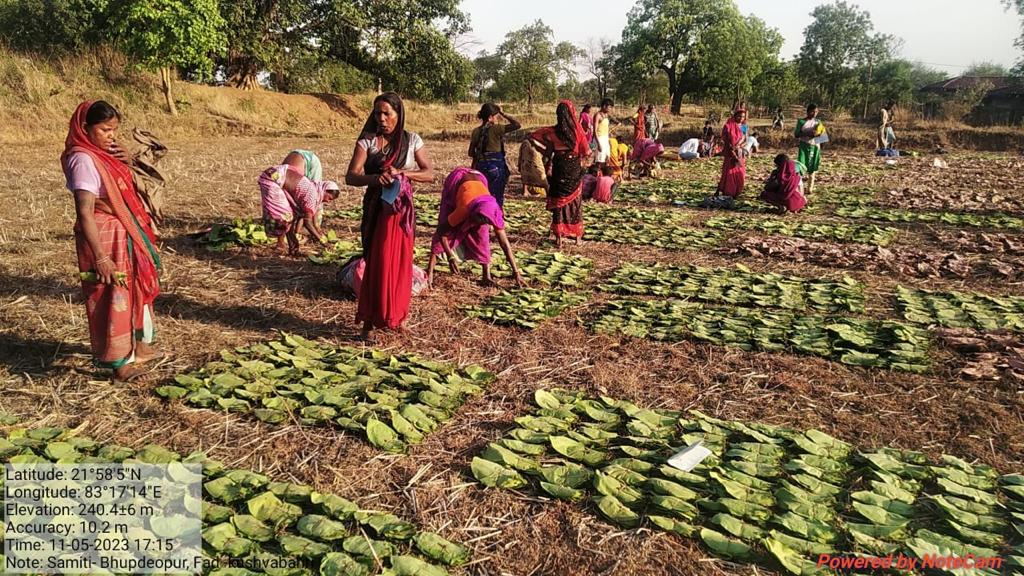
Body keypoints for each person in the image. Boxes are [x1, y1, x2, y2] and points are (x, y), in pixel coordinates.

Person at [62, 100, 162, 381]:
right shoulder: (83, 160)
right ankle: (119, 364)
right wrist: (100, 258)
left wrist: (125, 161)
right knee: (113, 296)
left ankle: (138, 346)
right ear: (84, 128)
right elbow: (84, 211)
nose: (111, 136)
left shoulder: (104, 155)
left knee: (136, 288)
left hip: (124, 231)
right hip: (105, 238)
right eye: (105, 130)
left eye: (114, 130)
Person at [345, 91, 434, 341]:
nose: (381, 119)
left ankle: (397, 317)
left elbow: (429, 173)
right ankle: (369, 323)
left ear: (398, 114)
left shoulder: (412, 140)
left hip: (401, 211)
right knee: (376, 262)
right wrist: (375, 178)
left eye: (387, 113)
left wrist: (403, 174)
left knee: (400, 262)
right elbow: (351, 176)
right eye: (377, 113)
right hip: (377, 208)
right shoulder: (368, 141)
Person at [427, 168, 525, 288]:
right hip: (457, 181)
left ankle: (486, 275)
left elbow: (505, 244)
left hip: (480, 180)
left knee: (482, 233)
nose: (474, 224)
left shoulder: (494, 212)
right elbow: (441, 232)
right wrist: (450, 256)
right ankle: (429, 273)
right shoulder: (464, 209)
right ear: (473, 214)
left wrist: (516, 273)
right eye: (475, 220)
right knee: (445, 220)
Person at [529, 100, 590, 247]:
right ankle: (577, 238)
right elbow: (586, 152)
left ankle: (559, 238)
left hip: (559, 168)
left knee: (558, 201)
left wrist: (539, 145)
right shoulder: (577, 132)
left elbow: (534, 136)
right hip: (573, 168)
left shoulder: (552, 132)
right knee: (575, 201)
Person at [258, 165, 340, 255]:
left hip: (274, 174)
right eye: (329, 198)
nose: (327, 201)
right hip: (273, 179)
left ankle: (293, 248)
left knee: (291, 217)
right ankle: (280, 243)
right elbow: (307, 222)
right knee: (284, 217)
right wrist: (321, 241)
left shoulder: (313, 188)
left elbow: (301, 216)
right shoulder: (312, 196)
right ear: (325, 190)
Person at [469, 103, 520, 206]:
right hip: (495, 168)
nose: (498, 119)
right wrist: (503, 113)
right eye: (497, 116)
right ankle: (496, 217)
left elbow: (471, 153)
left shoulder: (476, 131)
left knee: (483, 194)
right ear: (490, 117)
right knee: (497, 196)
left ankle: (483, 215)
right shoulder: (497, 129)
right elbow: (517, 125)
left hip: (480, 167)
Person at [795, 103, 826, 195]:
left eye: (816, 112)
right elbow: (796, 134)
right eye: (813, 111)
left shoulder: (818, 122)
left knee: (812, 168)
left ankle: (810, 189)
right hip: (804, 146)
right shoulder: (801, 122)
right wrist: (808, 134)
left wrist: (818, 135)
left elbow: (823, 136)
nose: (814, 113)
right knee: (801, 166)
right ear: (808, 112)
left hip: (815, 146)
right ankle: (798, 188)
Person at [717, 107, 747, 198]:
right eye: (739, 116)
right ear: (735, 116)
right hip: (730, 153)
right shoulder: (728, 126)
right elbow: (725, 139)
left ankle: (737, 191)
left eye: (743, 117)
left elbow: (745, 139)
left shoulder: (744, 127)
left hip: (739, 152)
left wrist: (739, 146)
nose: (741, 118)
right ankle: (728, 191)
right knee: (729, 171)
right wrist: (732, 148)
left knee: (739, 171)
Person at [593, 98, 614, 169]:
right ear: (604, 106)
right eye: (609, 107)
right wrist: (598, 144)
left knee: (607, 158)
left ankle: (604, 177)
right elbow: (595, 131)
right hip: (599, 139)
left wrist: (608, 140)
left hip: (605, 139)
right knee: (599, 161)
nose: (610, 109)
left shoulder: (606, 115)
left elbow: (606, 129)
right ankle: (597, 177)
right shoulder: (598, 115)